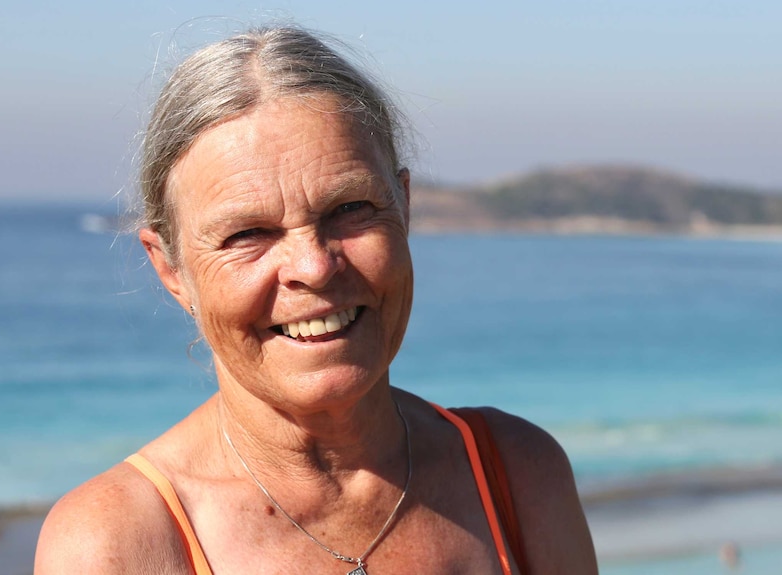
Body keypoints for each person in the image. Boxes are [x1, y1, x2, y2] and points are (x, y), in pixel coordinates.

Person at [35, 26, 597, 575]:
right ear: (171, 269)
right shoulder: (118, 544)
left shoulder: (515, 476)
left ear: (402, 206)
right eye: (247, 234)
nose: (314, 266)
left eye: (350, 209)